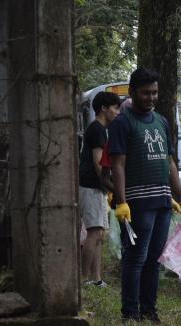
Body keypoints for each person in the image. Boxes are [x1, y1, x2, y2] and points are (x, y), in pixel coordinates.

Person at [110, 67, 181, 322]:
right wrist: (121, 201)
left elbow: (170, 162)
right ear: (133, 92)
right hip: (137, 202)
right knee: (136, 257)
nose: (151, 97)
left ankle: (149, 309)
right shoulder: (122, 123)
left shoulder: (161, 121)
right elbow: (117, 164)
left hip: (161, 200)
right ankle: (130, 312)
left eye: (155, 93)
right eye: (146, 93)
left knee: (154, 259)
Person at [79, 90, 121, 287]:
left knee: (99, 234)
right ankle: (83, 279)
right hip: (91, 187)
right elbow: (98, 166)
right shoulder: (96, 129)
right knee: (94, 232)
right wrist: (114, 188)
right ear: (104, 108)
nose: (117, 112)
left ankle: (96, 279)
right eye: (115, 108)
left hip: (98, 189)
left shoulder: (101, 129)